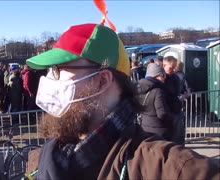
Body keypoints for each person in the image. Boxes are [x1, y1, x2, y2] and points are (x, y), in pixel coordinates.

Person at [25, 23, 219, 179]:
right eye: (51, 71)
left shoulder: (163, 167)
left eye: (59, 70)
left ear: (102, 80)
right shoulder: (39, 160)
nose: (51, 80)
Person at [137, 63, 173, 140]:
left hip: (144, 127)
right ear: (157, 76)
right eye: (163, 75)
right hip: (159, 130)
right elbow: (162, 113)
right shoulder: (158, 91)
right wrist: (172, 119)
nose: (164, 78)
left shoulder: (139, 88)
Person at [163, 56, 185, 145]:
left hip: (175, 111)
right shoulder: (161, 79)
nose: (173, 70)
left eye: (174, 67)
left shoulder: (175, 78)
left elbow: (177, 92)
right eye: (171, 68)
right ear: (164, 65)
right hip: (166, 112)